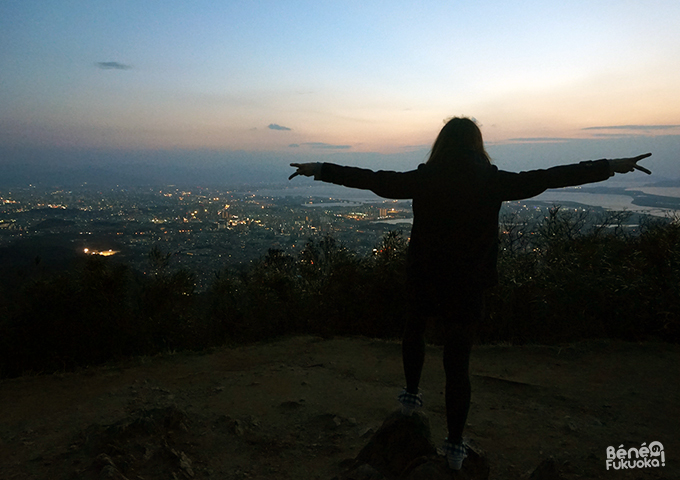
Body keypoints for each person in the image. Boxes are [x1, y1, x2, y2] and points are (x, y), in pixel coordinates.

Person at [288, 117, 651, 470]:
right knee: (457, 363)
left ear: (441, 144)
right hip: (468, 282)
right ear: (477, 145)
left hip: (425, 275)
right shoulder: (491, 181)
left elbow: (372, 180)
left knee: (413, 329)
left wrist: (319, 167)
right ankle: (455, 445)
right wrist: (609, 166)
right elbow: (551, 177)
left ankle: (411, 396)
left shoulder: (425, 178)